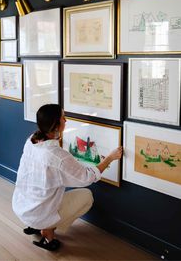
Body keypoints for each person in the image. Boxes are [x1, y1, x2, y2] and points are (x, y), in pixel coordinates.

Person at [12, 104, 123, 251]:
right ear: (56, 124)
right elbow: (87, 178)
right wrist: (109, 158)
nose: (66, 120)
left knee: (47, 193)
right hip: (38, 213)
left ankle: (37, 225)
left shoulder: (31, 140)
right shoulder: (57, 156)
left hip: (22, 206)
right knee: (87, 196)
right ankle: (48, 231)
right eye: (63, 117)